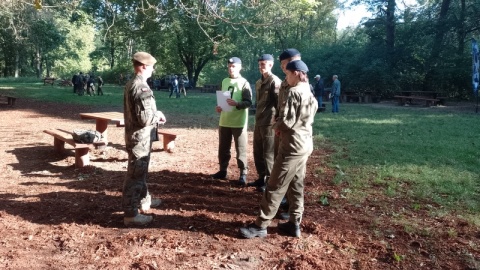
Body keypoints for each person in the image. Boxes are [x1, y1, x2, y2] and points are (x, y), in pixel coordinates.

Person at [239, 59, 318, 239]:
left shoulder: (294, 92)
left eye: (288, 74)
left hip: (291, 146)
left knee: (275, 185)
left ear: (296, 73)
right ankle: (294, 223)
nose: (286, 78)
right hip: (305, 144)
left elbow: (287, 122)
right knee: (296, 184)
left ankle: (261, 225)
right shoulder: (308, 89)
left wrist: (276, 125)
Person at [123, 51, 167, 226]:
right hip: (139, 138)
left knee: (140, 172)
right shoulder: (141, 87)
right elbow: (144, 118)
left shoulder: (131, 84)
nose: (153, 71)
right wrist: (158, 116)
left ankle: (143, 199)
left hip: (138, 137)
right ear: (143, 67)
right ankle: (131, 214)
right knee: (136, 175)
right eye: (151, 67)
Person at [211, 57, 252, 186]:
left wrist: (237, 103)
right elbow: (223, 99)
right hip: (224, 120)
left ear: (240, 67)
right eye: (229, 66)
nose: (231, 68)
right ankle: (222, 170)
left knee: (241, 149)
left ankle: (243, 174)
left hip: (239, 122)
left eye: (234, 66)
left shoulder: (244, 82)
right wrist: (219, 107)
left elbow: (249, 102)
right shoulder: (224, 81)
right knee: (223, 148)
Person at [247, 54, 281, 193]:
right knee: (258, 151)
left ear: (271, 65)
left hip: (269, 123)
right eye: (260, 64)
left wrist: (277, 121)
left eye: (264, 64)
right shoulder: (258, 82)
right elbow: (258, 103)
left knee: (268, 154)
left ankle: (269, 182)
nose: (261, 66)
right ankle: (261, 178)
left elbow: (280, 103)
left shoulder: (275, 81)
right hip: (259, 121)